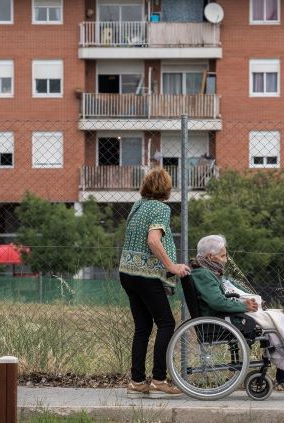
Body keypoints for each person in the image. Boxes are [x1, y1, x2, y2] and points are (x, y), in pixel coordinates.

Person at [189, 234, 284, 384]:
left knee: (273, 319)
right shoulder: (204, 275)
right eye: (223, 256)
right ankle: (283, 369)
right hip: (219, 320)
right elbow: (217, 302)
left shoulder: (206, 272)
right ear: (210, 257)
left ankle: (283, 368)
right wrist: (243, 306)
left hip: (222, 317)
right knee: (273, 321)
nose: (225, 259)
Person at [118, 167, 191, 398]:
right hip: (145, 275)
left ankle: (137, 381)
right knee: (166, 323)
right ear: (166, 189)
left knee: (143, 327)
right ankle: (159, 379)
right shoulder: (161, 208)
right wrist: (172, 267)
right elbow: (153, 240)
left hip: (127, 272)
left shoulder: (136, 206)